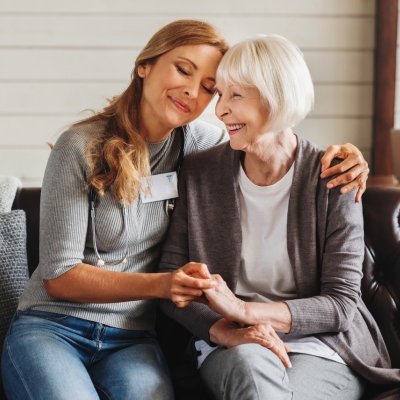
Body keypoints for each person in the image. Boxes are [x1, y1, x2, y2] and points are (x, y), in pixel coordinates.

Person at [2, 20, 368, 400]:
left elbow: (271, 140)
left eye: (211, 88)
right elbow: (59, 275)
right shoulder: (81, 147)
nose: (196, 94)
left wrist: (352, 159)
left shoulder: (200, 148)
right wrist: (168, 287)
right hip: (53, 327)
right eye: (182, 69)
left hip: (131, 338)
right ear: (145, 65)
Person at [159, 34, 399, 400]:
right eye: (220, 95)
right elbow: (173, 283)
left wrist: (243, 308)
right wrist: (227, 326)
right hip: (235, 343)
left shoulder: (336, 178)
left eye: (235, 95)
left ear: (278, 96)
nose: (220, 110)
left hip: (324, 346)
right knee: (251, 372)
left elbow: (340, 305)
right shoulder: (200, 172)